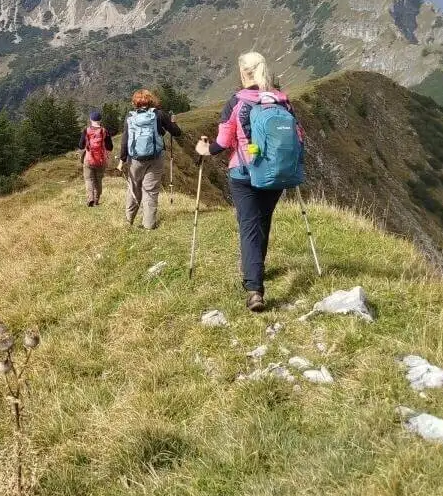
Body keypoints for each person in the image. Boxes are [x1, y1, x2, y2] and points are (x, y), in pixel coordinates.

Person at [196, 51, 303, 312]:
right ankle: (257, 271)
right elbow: (298, 136)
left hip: (244, 173)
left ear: (244, 72)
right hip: (276, 173)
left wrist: (202, 150)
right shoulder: (282, 101)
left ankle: (254, 288)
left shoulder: (237, 102)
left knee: (249, 226)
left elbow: (222, 143)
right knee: (263, 222)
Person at [117, 89, 183, 230]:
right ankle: (149, 225)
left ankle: (128, 221)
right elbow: (177, 132)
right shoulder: (159, 114)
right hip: (155, 158)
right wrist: (173, 122)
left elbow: (125, 140)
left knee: (134, 189)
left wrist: (122, 160)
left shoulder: (130, 117)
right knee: (151, 191)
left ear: (135, 102)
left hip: (135, 160)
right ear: (151, 100)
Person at [78, 110, 113, 207]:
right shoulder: (104, 131)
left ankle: (90, 199)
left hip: (88, 159)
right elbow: (110, 147)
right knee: (98, 180)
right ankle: (97, 200)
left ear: (90, 119)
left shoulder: (86, 130)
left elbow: (80, 145)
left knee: (89, 179)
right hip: (101, 160)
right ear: (100, 120)